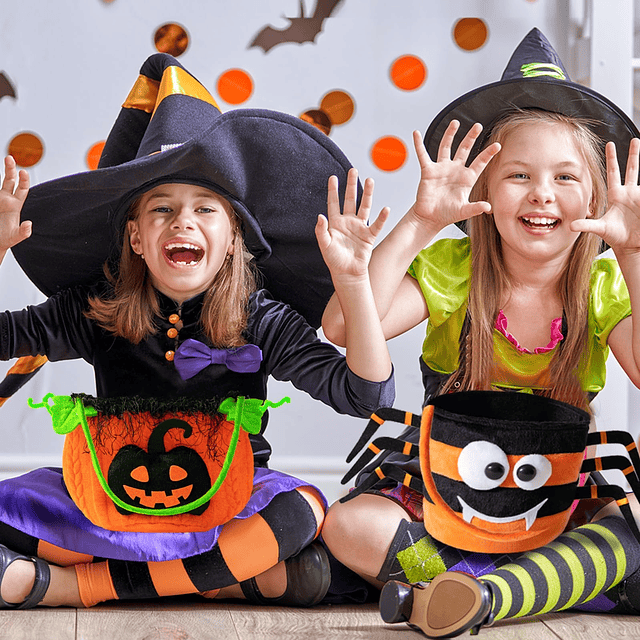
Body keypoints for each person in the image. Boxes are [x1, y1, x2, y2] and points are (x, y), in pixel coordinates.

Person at [0, 53, 394, 609]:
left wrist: (353, 283)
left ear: (233, 237)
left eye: (205, 208)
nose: (182, 221)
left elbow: (367, 396)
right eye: (162, 208)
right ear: (136, 237)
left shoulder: (262, 318)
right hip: (105, 492)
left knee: (301, 512)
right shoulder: (96, 309)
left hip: (233, 497)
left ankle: (75, 585)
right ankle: (233, 579)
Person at [321, 28, 640, 635]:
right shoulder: (452, 270)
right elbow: (343, 326)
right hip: (445, 495)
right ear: (484, 190)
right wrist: (418, 221)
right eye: (518, 174)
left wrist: (635, 252)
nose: (542, 193)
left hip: (561, 498)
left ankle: (469, 594)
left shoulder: (605, 284)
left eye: (566, 178)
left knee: (634, 529)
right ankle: (537, 587)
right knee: (350, 525)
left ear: (597, 192)